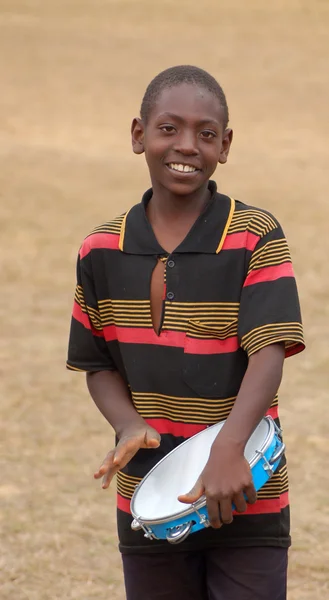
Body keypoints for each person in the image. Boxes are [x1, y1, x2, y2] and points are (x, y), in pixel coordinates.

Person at [67, 65, 305, 600]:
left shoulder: (254, 235)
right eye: (168, 128)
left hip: (244, 486)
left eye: (206, 133)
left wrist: (230, 446)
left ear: (225, 145)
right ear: (138, 135)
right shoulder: (99, 249)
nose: (187, 146)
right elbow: (97, 362)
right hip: (149, 494)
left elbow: (269, 351)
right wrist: (128, 426)